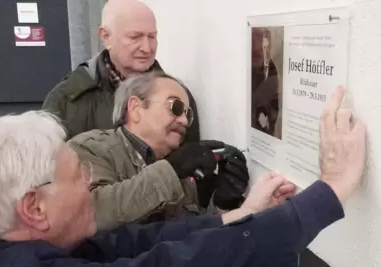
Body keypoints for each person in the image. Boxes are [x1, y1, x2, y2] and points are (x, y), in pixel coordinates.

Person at [0, 85, 366, 267]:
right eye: (80, 174)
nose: (90, 179)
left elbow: (130, 245)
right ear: (35, 208)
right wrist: (330, 190)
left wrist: (240, 214)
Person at [68, 71, 250, 230]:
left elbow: (191, 234)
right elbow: (92, 214)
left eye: (188, 114)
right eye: (175, 107)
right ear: (136, 108)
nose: (184, 121)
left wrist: (223, 202)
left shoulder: (183, 171)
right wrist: (171, 169)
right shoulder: (89, 148)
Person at [41, 0, 201, 144]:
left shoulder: (178, 97)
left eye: (152, 36)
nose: (146, 48)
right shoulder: (66, 99)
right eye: (135, 37)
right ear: (106, 36)